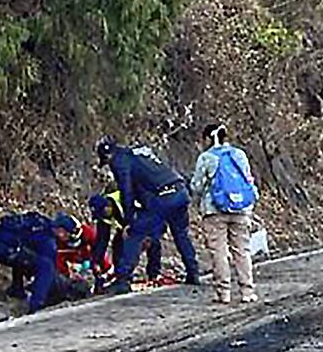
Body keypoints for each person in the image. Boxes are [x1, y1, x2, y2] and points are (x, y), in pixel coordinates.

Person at [96, 136, 199, 295]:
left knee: (135, 233)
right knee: (180, 234)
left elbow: (126, 191)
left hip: (162, 197)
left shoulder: (120, 161)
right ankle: (193, 273)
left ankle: (123, 280)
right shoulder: (141, 153)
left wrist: (129, 221)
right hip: (180, 191)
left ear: (108, 156)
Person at [190, 123, 259, 305]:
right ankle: (247, 291)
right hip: (242, 209)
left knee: (219, 251)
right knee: (242, 250)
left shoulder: (206, 157)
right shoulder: (239, 155)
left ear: (207, 139)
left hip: (214, 211)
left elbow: (196, 186)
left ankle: (224, 293)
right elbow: (248, 179)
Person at [0, 212, 83, 313]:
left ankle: (17, 290)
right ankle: (36, 305)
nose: (67, 239)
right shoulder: (48, 242)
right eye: (68, 235)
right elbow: (48, 271)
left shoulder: (43, 224)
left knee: (25, 257)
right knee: (46, 266)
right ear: (61, 230)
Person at [87, 190, 162, 291]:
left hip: (148, 218)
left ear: (108, 207)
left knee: (150, 242)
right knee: (118, 244)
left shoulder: (126, 198)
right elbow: (102, 240)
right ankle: (121, 277)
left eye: (104, 214)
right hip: (128, 226)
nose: (104, 217)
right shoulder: (104, 214)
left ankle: (153, 274)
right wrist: (96, 262)